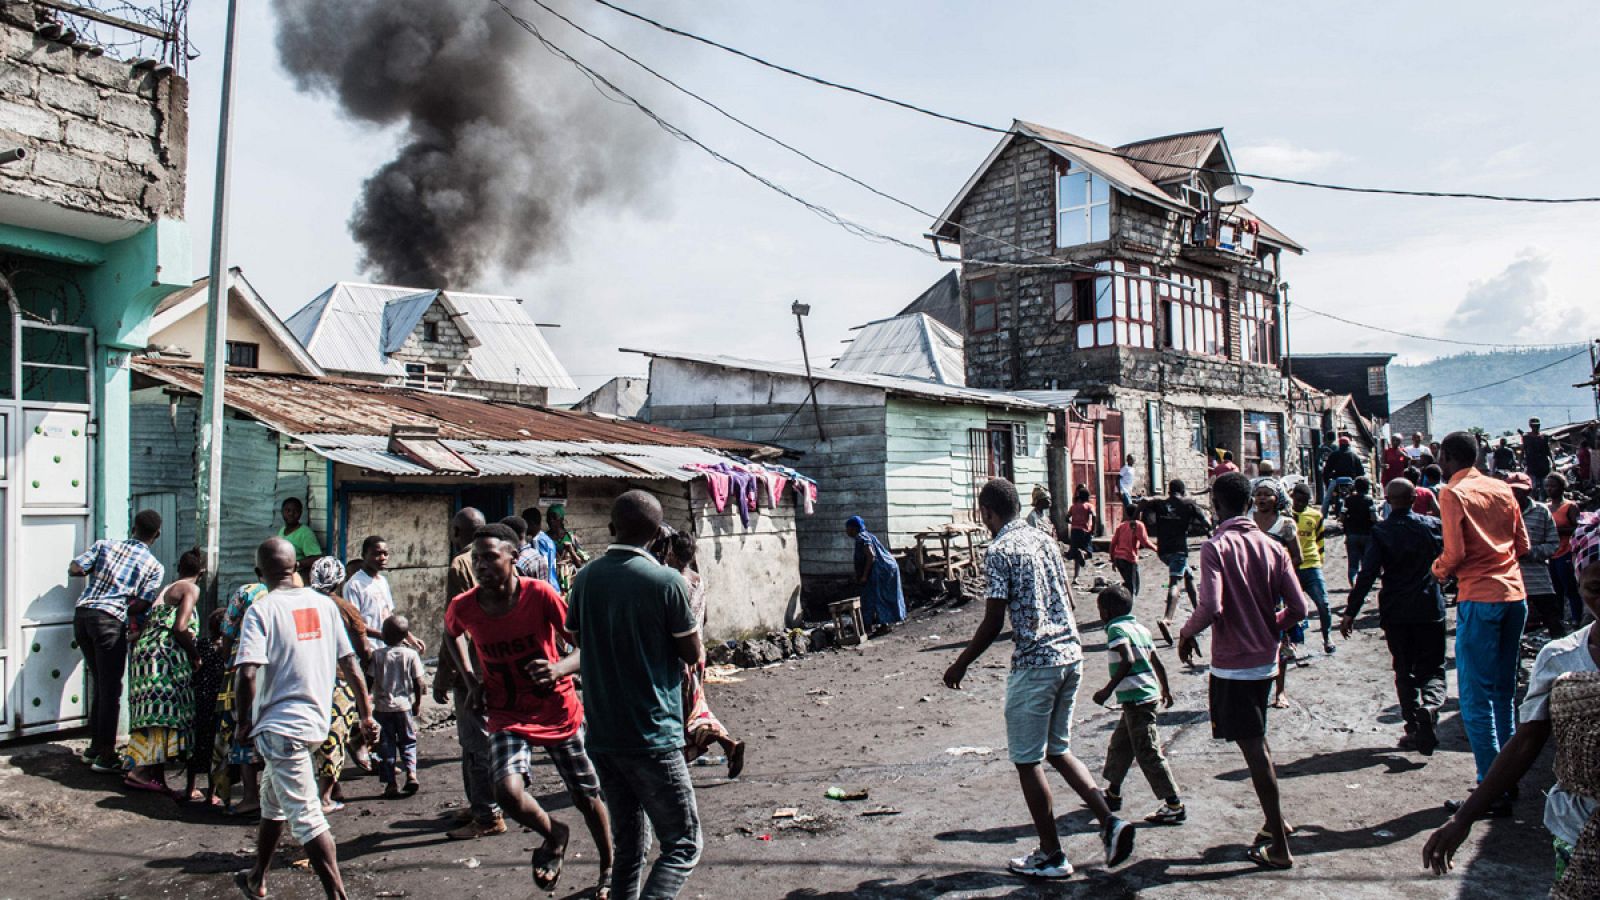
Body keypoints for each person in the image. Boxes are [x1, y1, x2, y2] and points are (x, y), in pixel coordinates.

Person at [944, 478, 1136, 880]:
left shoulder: (999, 549)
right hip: (1071, 655)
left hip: (1036, 664)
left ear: (989, 513)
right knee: (1058, 750)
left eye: (984, 516)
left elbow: (994, 619)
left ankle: (1051, 855)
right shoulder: (1045, 538)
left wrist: (961, 663)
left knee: (1028, 759)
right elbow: (1066, 594)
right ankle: (1110, 822)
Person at [1423, 515, 1600, 890]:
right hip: (1576, 827)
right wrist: (1465, 818)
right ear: (1579, 581)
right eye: (1596, 587)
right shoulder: (1559, 657)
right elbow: (1526, 741)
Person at [447, 523, 615, 895]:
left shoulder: (538, 595)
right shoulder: (466, 606)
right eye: (476, 559)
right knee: (505, 790)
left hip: (557, 710)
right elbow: (451, 632)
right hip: (507, 712)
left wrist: (559, 667)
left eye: (490, 557)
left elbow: (584, 644)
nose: (481, 566)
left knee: (587, 796)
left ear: (512, 557)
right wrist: (471, 680)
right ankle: (554, 834)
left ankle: (609, 867)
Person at [566, 491, 704, 899]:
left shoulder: (586, 577)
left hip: (604, 734)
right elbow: (692, 653)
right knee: (683, 844)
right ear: (659, 534)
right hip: (652, 732)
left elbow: (576, 639)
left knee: (630, 849)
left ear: (611, 528)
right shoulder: (667, 582)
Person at [233, 537, 378, 900]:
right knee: (273, 801)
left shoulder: (262, 610)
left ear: (258, 573)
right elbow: (350, 664)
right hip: (315, 722)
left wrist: (243, 723)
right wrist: (365, 713)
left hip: (281, 728)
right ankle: (258, 876)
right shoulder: (325, 605)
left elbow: (247, 673)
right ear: (296, 567)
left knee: (308, 816)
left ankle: (337, 895)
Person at [1177, 472, 1307, 871]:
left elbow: (1211, 606)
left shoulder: (1216, 546)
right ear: (1250, 501)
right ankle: (1275, 823)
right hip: (1266, 662)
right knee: (1259, 744)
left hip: (1234, 667)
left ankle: (1280, 846)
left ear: (1216, 505)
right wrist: (1271, 626)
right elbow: (1299, 609)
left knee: (1254, 751)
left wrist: (1185, 632)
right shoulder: (1272, 546)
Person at [1432, 430, 1529, 802]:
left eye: (1441, 457)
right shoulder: (1503, 489)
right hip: (1514, 596)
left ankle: (1491, 788)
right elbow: (1523, 545)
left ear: (1448, 456)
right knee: (1504, 695)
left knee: (1475, 699)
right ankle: (1508, 780)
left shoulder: (1452, 492)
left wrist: (1437, 572)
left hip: (1480, 597)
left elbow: (1454, 555)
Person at [1339, 478, 1446, 755]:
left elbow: (1367, 574)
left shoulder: (1382, 532)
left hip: (1396, 610)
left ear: (1387, 500)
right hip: (1429, 607)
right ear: (1414, 499)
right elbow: (1450, 559)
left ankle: (1412, 727)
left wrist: (1351, 611)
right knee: (1433, 666)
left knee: (1403, 668)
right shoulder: (1432, 527)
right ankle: (1431, 705)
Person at [70, 509, 165, 773]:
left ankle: (93, 747)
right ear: (156, 535)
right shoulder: (154, 566)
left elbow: (76, 567)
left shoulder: (104, 545)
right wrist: (122, 606)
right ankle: (106, 755)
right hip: (109, 623)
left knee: (100, 683)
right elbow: (143, 603)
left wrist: (89, 575)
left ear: (133, 527)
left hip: (83, 616)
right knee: (111, 689)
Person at [436, 507, 506, 841]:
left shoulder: (460, 565)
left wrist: (446, 675)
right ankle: (483, 803)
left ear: (457, 532)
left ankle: (487, 813)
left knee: (475, 741)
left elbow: (453, 629)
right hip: (495, 665)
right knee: (482, 739)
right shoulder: (501, 562)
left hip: (474, 671)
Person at [1091, 585, 1184, 825]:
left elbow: (1127, 660)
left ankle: (1174, 804)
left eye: (1101, 609)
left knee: (1148, 751)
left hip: (1137, 700)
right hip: (1143, 697)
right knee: (1121, 745)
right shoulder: (1140, 629)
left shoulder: (1115, 629)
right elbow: (1157, 662)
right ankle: (1113, 793)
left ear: (1108, 611)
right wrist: (1166, 689)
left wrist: (1106, 690)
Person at [663, 532, 746, 777]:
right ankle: (722, 747)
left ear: (672, 554)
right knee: (693, 705)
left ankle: (727, 743)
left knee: (687, 711)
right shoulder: (697, 579)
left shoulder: (674, 582)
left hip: (681, 655)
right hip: (698, 652)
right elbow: (705, 618)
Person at [124, 548, 204, 795]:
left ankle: (144, 772)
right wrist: (195, 655)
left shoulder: (166, 590)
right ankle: (142, 773)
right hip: (162, 657)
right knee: (163, 711)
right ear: (201, 573)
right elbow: (180, 627)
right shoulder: (191, 589)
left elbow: (149, 626)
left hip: (145, 655)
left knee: (154, 714)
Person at [307, 556, 369, 815]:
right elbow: (361, 648)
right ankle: (323, 798)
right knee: (334, 737)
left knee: (312, 738)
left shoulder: (303, 603)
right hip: (338, 681)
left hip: (308, 677)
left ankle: (319, 791)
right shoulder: (342, 607)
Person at [215, 579, 269, 813]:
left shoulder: (247, 592)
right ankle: (275, 799)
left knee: (243, 729)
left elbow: (228, 629)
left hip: (246, 665)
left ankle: (250, 797)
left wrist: (227, 660)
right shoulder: (296, 594)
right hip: (281, 671)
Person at [1250, 478, 1302, 709]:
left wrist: (1283, 579)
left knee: (1279, 641)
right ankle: (1254, 690)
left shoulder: (1285, 524)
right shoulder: (1247, 522)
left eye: (1267, 494)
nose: (1262, 498)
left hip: (1275, 593)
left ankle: (1280, 691)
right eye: (1258, 494)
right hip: (1249, 589)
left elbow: (1297, 557)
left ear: (1277, 498)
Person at [1150, 480, 1211, 646]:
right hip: (1179, 549)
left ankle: (1199, 611)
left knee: (1188, 576)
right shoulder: (1188, 504)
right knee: (1175, 582)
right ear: (1183, 491)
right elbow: (1206, 522)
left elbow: (1145, 512)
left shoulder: (1160, 503)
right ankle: (1167, 619)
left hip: (1162, 550)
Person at [372, 615, 425, 798]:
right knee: (408, 741)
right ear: (404, 636)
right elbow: (419, 682)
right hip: (404, 707)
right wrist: (417, 703)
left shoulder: (377, 655)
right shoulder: (411, 655)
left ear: (384, 635)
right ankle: (411, 774)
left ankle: (391, 783)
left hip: (382, 708)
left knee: (385, 745)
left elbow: (369, 679)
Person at [1508, 473, 1562, 639]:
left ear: (1528, 491)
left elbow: (1553, 544)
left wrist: (1530, 553)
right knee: (1512, 626)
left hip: (1538, 578)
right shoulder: (1502, 512)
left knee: (1553, 620)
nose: (1516, 494)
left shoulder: (1541, 511)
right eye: (1513, 490)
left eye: (1520, 490)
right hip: (1510, 578)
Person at [184, 609, 227, 806]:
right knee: (214, 748)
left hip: (199, 700)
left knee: (196, 745)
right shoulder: (226, 648)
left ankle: (190, 788)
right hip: (218, 703)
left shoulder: (201, 644)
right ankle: (212, 793)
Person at [1290, 483, 1335, 655]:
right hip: (1291, 567)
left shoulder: (1315, 516)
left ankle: (1327, 637)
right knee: (1291, 608)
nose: (1301, 504)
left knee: (1323, 604)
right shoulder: (1285, 516)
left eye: (1305, 501)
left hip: (1311, 565)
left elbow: (1320, 540)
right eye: (1298, 500)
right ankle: (1292, 642)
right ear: (1293, 497)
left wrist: (1320, 561)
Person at [846, 516, 906, 638]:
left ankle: (878, 626)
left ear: (853, 528)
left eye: (848, 528)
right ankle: (879, 625)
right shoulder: (868, 535)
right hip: (887, 567)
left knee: (876, 596)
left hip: (881, 570)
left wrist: (864, 576)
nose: (846, 531)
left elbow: (871, 556)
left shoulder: (861, 538)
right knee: (879, 596)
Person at [343, 536, 396, 653]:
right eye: (377, 554)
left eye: (385, 554)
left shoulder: (382, 581)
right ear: (364, 555)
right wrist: (382, 636)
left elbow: (389, 614)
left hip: (385, 648)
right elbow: (355, 624)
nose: (382, 558)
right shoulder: (354, 585)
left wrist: (406, 635)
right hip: (367, 650)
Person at [1548, 474, 1582, 631]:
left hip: (1566, 552)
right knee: (1555, 590)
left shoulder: (1570, 507)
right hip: (1551, 554)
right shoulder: (1546, 508)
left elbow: (1578, 528)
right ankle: (1559, 619)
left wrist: (1557, 531)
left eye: (1553, 486)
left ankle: (1576, 619)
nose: (1550, 489)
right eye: (1548, 486)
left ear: (1562, 487)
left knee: (1570, 588)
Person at [1109, 503, 1156, 599]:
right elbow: (1145, 542)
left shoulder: (1121, 526)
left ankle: (1124, 601)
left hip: (1119, 558)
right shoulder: (1138, 525)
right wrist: (1157, 549)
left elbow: (1113, 544)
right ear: (1138, 514)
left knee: (1129, 583)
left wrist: (1113, 560)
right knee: (1134, 587)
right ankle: (1127, 606)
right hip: (1129, 559)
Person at [1341, 477, 1378, 588]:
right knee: (1366, 564)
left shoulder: (1348, 500)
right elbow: (1373, 517)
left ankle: (1354, 586)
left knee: (1353, 565)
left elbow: (1342, 517)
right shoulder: (1369, 500)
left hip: (1352, 535)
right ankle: (1364, 588)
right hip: (1367, 535)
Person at [523, 506, 562, 593]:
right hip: (554, 585)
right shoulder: (546, 539)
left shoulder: (538, 541)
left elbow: (543, 566)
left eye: (525, 524)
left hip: (547, 587)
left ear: (531, 523)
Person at [1321, 436, 1365, 513]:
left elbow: (1327, 469)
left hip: (1337, 479)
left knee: (1327, 498)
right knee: (1359, 495)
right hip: (1350, 480)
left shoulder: (1334, 454)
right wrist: (1357, 479)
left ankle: (1323, 515)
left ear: (1340, 445)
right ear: (1348, 445)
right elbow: (1361, 471)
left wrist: (1327, 481)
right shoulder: (1354, 455)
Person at [279, 497, 323, 570]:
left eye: (295, 511)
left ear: (300, 513)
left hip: (298, 575)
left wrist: (297, 564)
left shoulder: (305, 533)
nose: (291, 514)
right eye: (288, 510)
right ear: (282, 512)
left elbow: (316, 558)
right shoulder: (282, 530)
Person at [1064, 486, 1097, 581]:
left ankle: (1075, 577)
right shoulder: (1089, 506)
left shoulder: (1073, 506)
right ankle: (1082, 553)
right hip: (1084, 532)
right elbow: (1094, 516)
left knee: (1076, 556)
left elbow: (1066, 518)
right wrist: (1092, 529)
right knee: (1089, 552)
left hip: (1074, 531)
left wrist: (1073, 523)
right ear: (1087, 497)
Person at [1523, 417, 1553, 497]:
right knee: (1533, 487)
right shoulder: (1526, 437)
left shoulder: (1544, 437)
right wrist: (1520, 463)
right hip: (1532, 465)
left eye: (1537, 426)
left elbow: (1548, 450)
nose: (1535, 427)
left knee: (1545, 486)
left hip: (1543, 465)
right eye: (1533, 426)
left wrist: (1553, 462)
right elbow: (1523, 450)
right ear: (1530, 426)